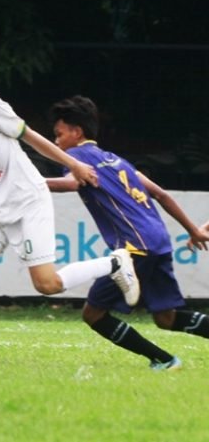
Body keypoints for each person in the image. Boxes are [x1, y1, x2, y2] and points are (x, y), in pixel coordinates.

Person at [0, 49, 140, 367]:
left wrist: (75, 165)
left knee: (47, 285)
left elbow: (31, 138)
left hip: (26, 202)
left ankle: (114, 263)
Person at [47, 95, 209, 371]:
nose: (56, 142)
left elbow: (71, 183)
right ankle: (165, 360)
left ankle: (164, 360)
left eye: (59, 134)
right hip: (158, 239)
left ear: (77, 132)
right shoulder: (116, 160)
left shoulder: (75, 156)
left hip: (134, 247)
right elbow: (159, 193)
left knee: (93, 313)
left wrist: (29, 183)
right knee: (165, 318)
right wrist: (192, 230)